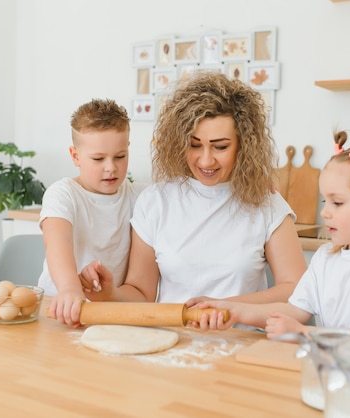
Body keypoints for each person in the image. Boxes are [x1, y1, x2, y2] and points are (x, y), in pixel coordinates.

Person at [79, 71, 307, 323]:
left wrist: (226, 307)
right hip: (172, 343)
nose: (206, 160)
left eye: (220, 147)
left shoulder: (266, 203)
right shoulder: (156, 201)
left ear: (244, 145)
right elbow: (141, 293)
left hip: (242, 343)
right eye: (195, 145)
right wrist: (109, 293)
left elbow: (296, 287)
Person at [198, 132, 350, 346]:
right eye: (325, 202)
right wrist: (233, 310)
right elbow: (294, 310)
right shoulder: (325, 257)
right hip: (331, 368)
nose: (324, 212)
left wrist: (304, 333)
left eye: (338, 203)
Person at [40, 98, 147, 327]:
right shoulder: (63, 193)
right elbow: (57, 242)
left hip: (107, 315)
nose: (111, 167)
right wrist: (70, 289)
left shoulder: (140, 197)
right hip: (58, 309)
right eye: (98, 159)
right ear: (75, 156)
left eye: (120, 156)